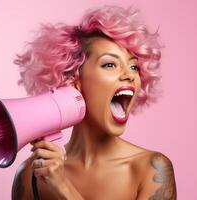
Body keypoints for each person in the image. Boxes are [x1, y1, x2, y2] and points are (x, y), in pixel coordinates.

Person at [11, 5, 176, 200]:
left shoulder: (151, 170)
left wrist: (62, 187)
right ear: (74, 80)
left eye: (134, 66)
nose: (129, 75)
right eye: (110, 64)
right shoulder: (33, 174)